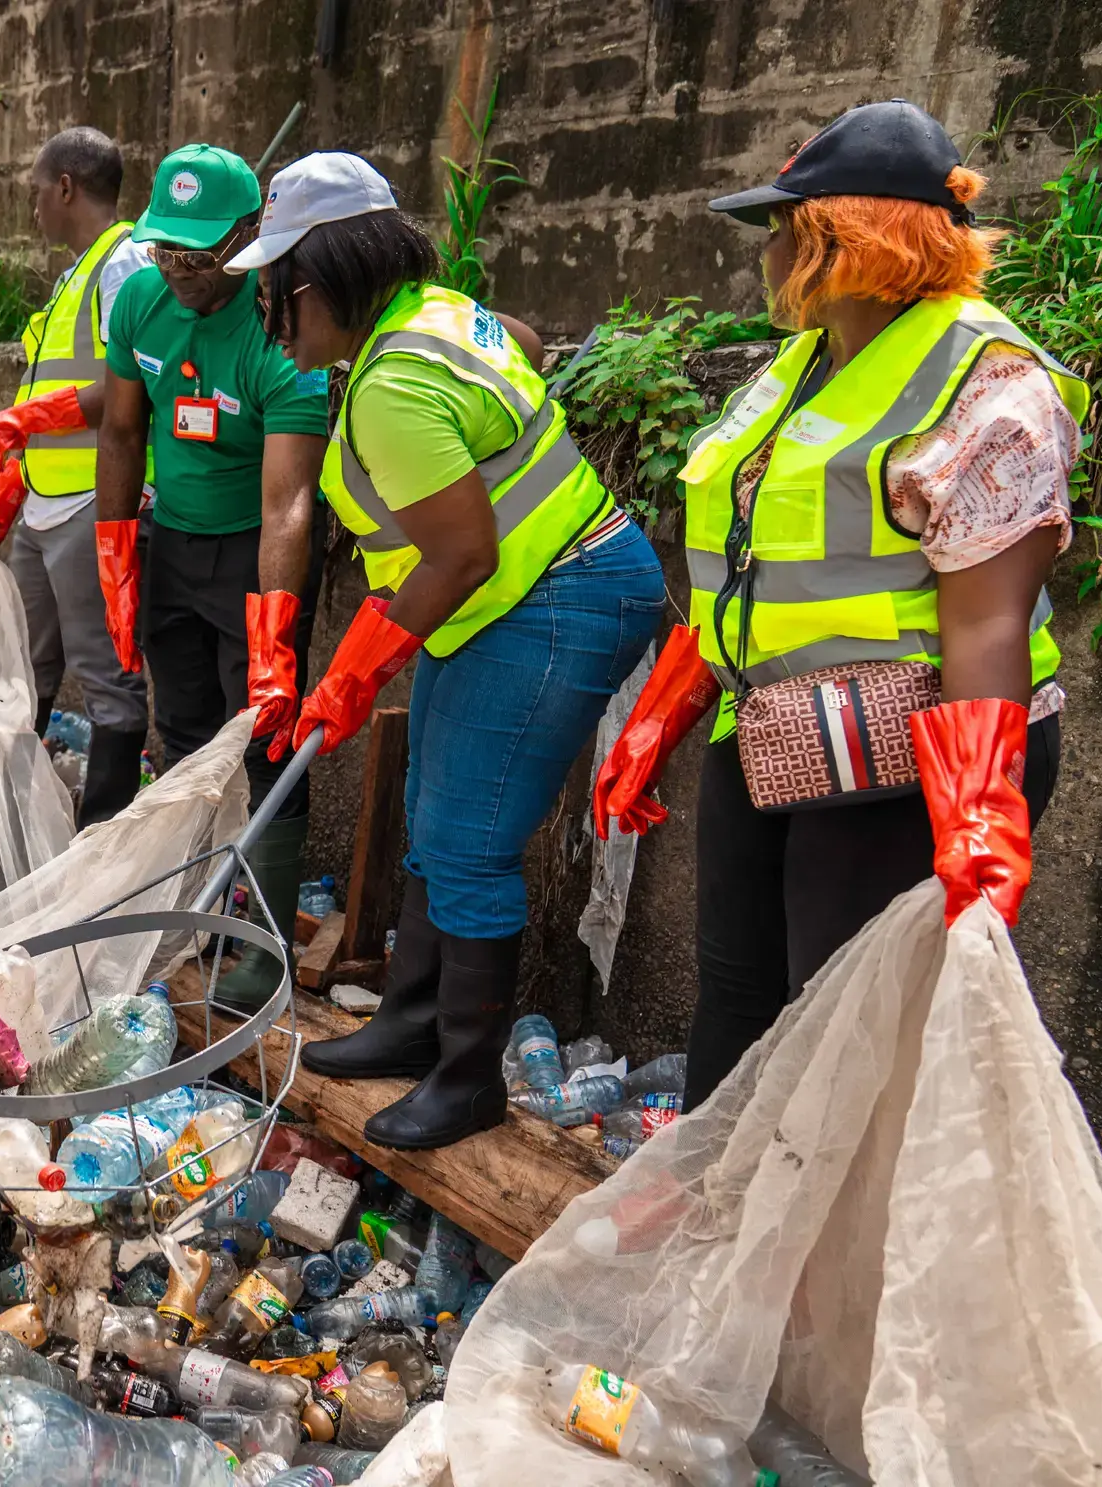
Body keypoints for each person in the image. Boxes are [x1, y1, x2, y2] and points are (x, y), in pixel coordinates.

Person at [592, 99, 1082, 1110]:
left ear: (835, 241)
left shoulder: (986, 380)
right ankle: (726, 1216)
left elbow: (986, 618)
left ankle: (826, 1254)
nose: (764, 252)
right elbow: (747, 565)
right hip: (773, 728)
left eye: (779, 226)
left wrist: (976, 826)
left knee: (845, 1022)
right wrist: (661, 715)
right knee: (735, 991)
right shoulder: (800, 369)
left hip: (909, 758)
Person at [228, 153, 666, 1149]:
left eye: (271, 294)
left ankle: (464, 1076)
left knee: (468, 838)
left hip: (546, 597)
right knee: (432, 808)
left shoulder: (391, 381)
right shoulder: (437, 314)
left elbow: (463, 551)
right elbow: (523, 343)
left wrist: (351, 667)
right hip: (498, 600)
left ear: (312, 282)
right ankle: (412, 1020)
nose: (269, 317)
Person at [94, 143, 331, 1010]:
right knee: (183, 731)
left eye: (204, 253)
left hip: (254, 552)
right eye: (169, 251)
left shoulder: (284, 334)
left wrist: (273, 628)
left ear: (249, 234)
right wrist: (117, 554)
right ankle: (192, 909)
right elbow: (121, 433)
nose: (185, 271)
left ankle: (263, 947)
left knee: (266, 742)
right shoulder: (140, 303)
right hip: (172, 545)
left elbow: (289, 504)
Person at [0, 127, 153, 825]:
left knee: (106, 678)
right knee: (25, 666)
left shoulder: (124, 265)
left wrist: (27, 419)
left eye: (37, 191)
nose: (33, 206)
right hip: (46, 502)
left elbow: (130, 386)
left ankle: (101, 834)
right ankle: (8, 819)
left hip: (93, 503)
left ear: (66, 186)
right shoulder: (77, 272)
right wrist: (14, 476)